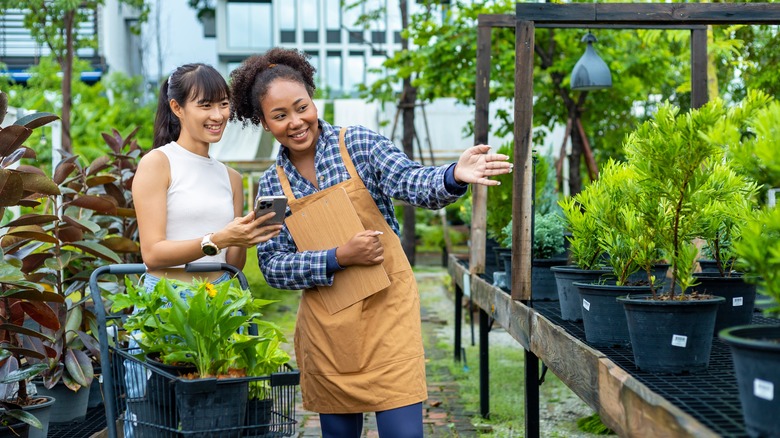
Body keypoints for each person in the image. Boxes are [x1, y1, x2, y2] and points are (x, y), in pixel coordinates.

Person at [229, 48, 512, 438]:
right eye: (280, 116)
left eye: (301, 107)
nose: (295, 122)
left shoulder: (358, 144)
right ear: (264, 122)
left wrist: (454, 176)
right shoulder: (272, 186)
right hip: (329, 331)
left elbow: (411, 181)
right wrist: (337, 258)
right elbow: (272, 265)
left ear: (313, 99)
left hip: (387, 315)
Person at [126, 63, 282, 437]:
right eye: (205, 105)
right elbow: (153, 253)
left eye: (224, 105)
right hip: (167, 306)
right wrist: (218, 238)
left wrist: (243, 237)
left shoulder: (230, 177)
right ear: (177, 108)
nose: (218, 116)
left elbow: (232, 264)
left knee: (216, 425)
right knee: (156, 422)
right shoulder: (158, 164)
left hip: (219, 310)